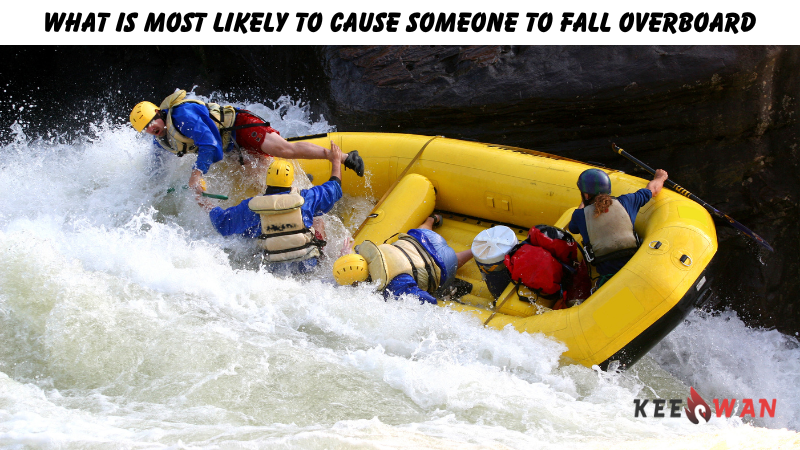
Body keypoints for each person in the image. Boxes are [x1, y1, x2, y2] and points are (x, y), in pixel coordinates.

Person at [130, 89, 364, 195]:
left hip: (240, 126)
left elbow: (210, 145)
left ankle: (345, 157)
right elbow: (157, 167)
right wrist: (154, 188)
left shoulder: (182, 116)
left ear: (159, 113)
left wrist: (197, 172)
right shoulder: (161, 139)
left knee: (284, 149)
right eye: (145, 129)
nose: (150, 129)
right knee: (258, 179)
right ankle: (299, 183)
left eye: (151, 122)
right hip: (230, 147)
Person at [197, 141, 345, 275]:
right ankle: (324, 260)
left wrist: (202, 199)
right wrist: (336, 161)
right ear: (290, 181)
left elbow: (222, 223)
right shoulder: (306, 199)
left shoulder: (251, 207)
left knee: (248, 233)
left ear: (267, 181)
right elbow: (334, 188)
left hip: (271, 270)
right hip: (307, 266)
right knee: (317, 221)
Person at [332, 216, 474, 305]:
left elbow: (429, 300)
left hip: (444, 259)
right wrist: (346, 256)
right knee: (421, 232)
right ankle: (432, 219)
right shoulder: (366, 255)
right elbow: (352, 262)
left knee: (453, 260)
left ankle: (474, 251)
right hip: (424, 237)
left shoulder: (394, 285)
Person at [568, 167, 668, 288]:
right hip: (636, 267)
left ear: (586, 194)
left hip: (610, 279)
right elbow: (654, 189)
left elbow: (573, 228)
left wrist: (585, 202)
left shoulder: (579, 216)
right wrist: (660, 177)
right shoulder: (627, 201)